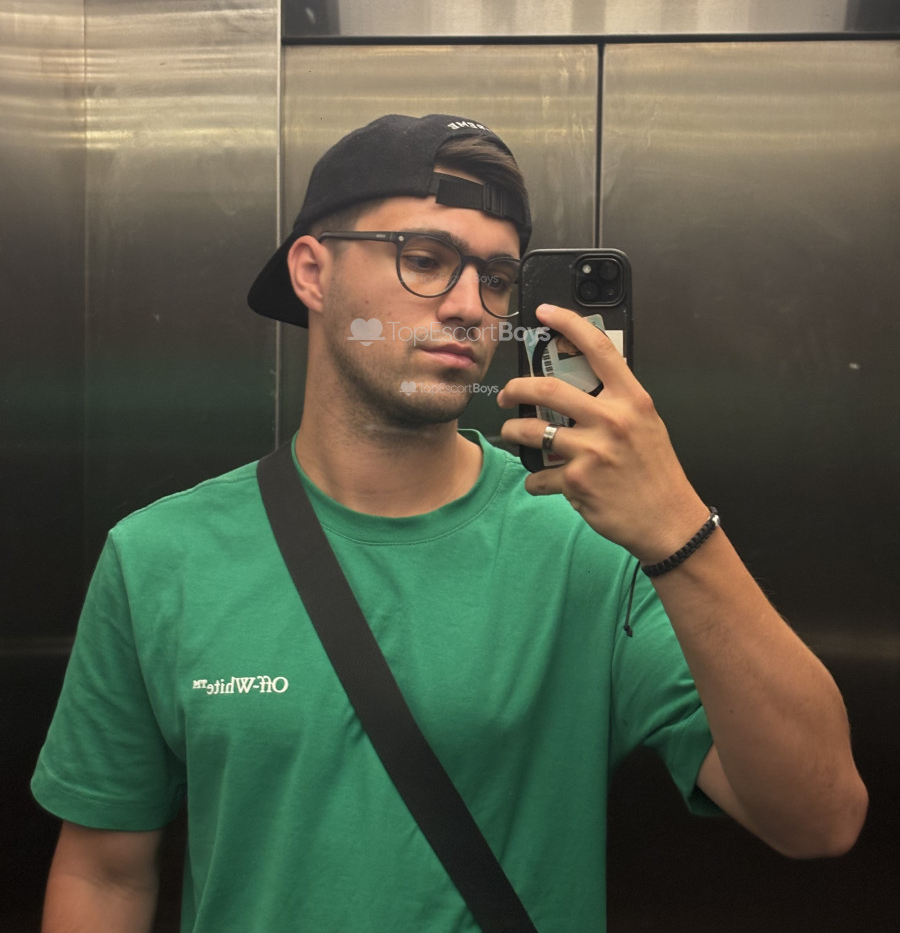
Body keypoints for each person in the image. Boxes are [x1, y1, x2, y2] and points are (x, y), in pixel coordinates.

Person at [32, 113, 867, 933]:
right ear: (313, 272)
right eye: (424, 260)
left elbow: (819, 816)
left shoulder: (590, 545)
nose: (471, 306)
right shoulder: (160, 558)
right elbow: (102, 872)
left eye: (497, 278)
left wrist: (678, 525)